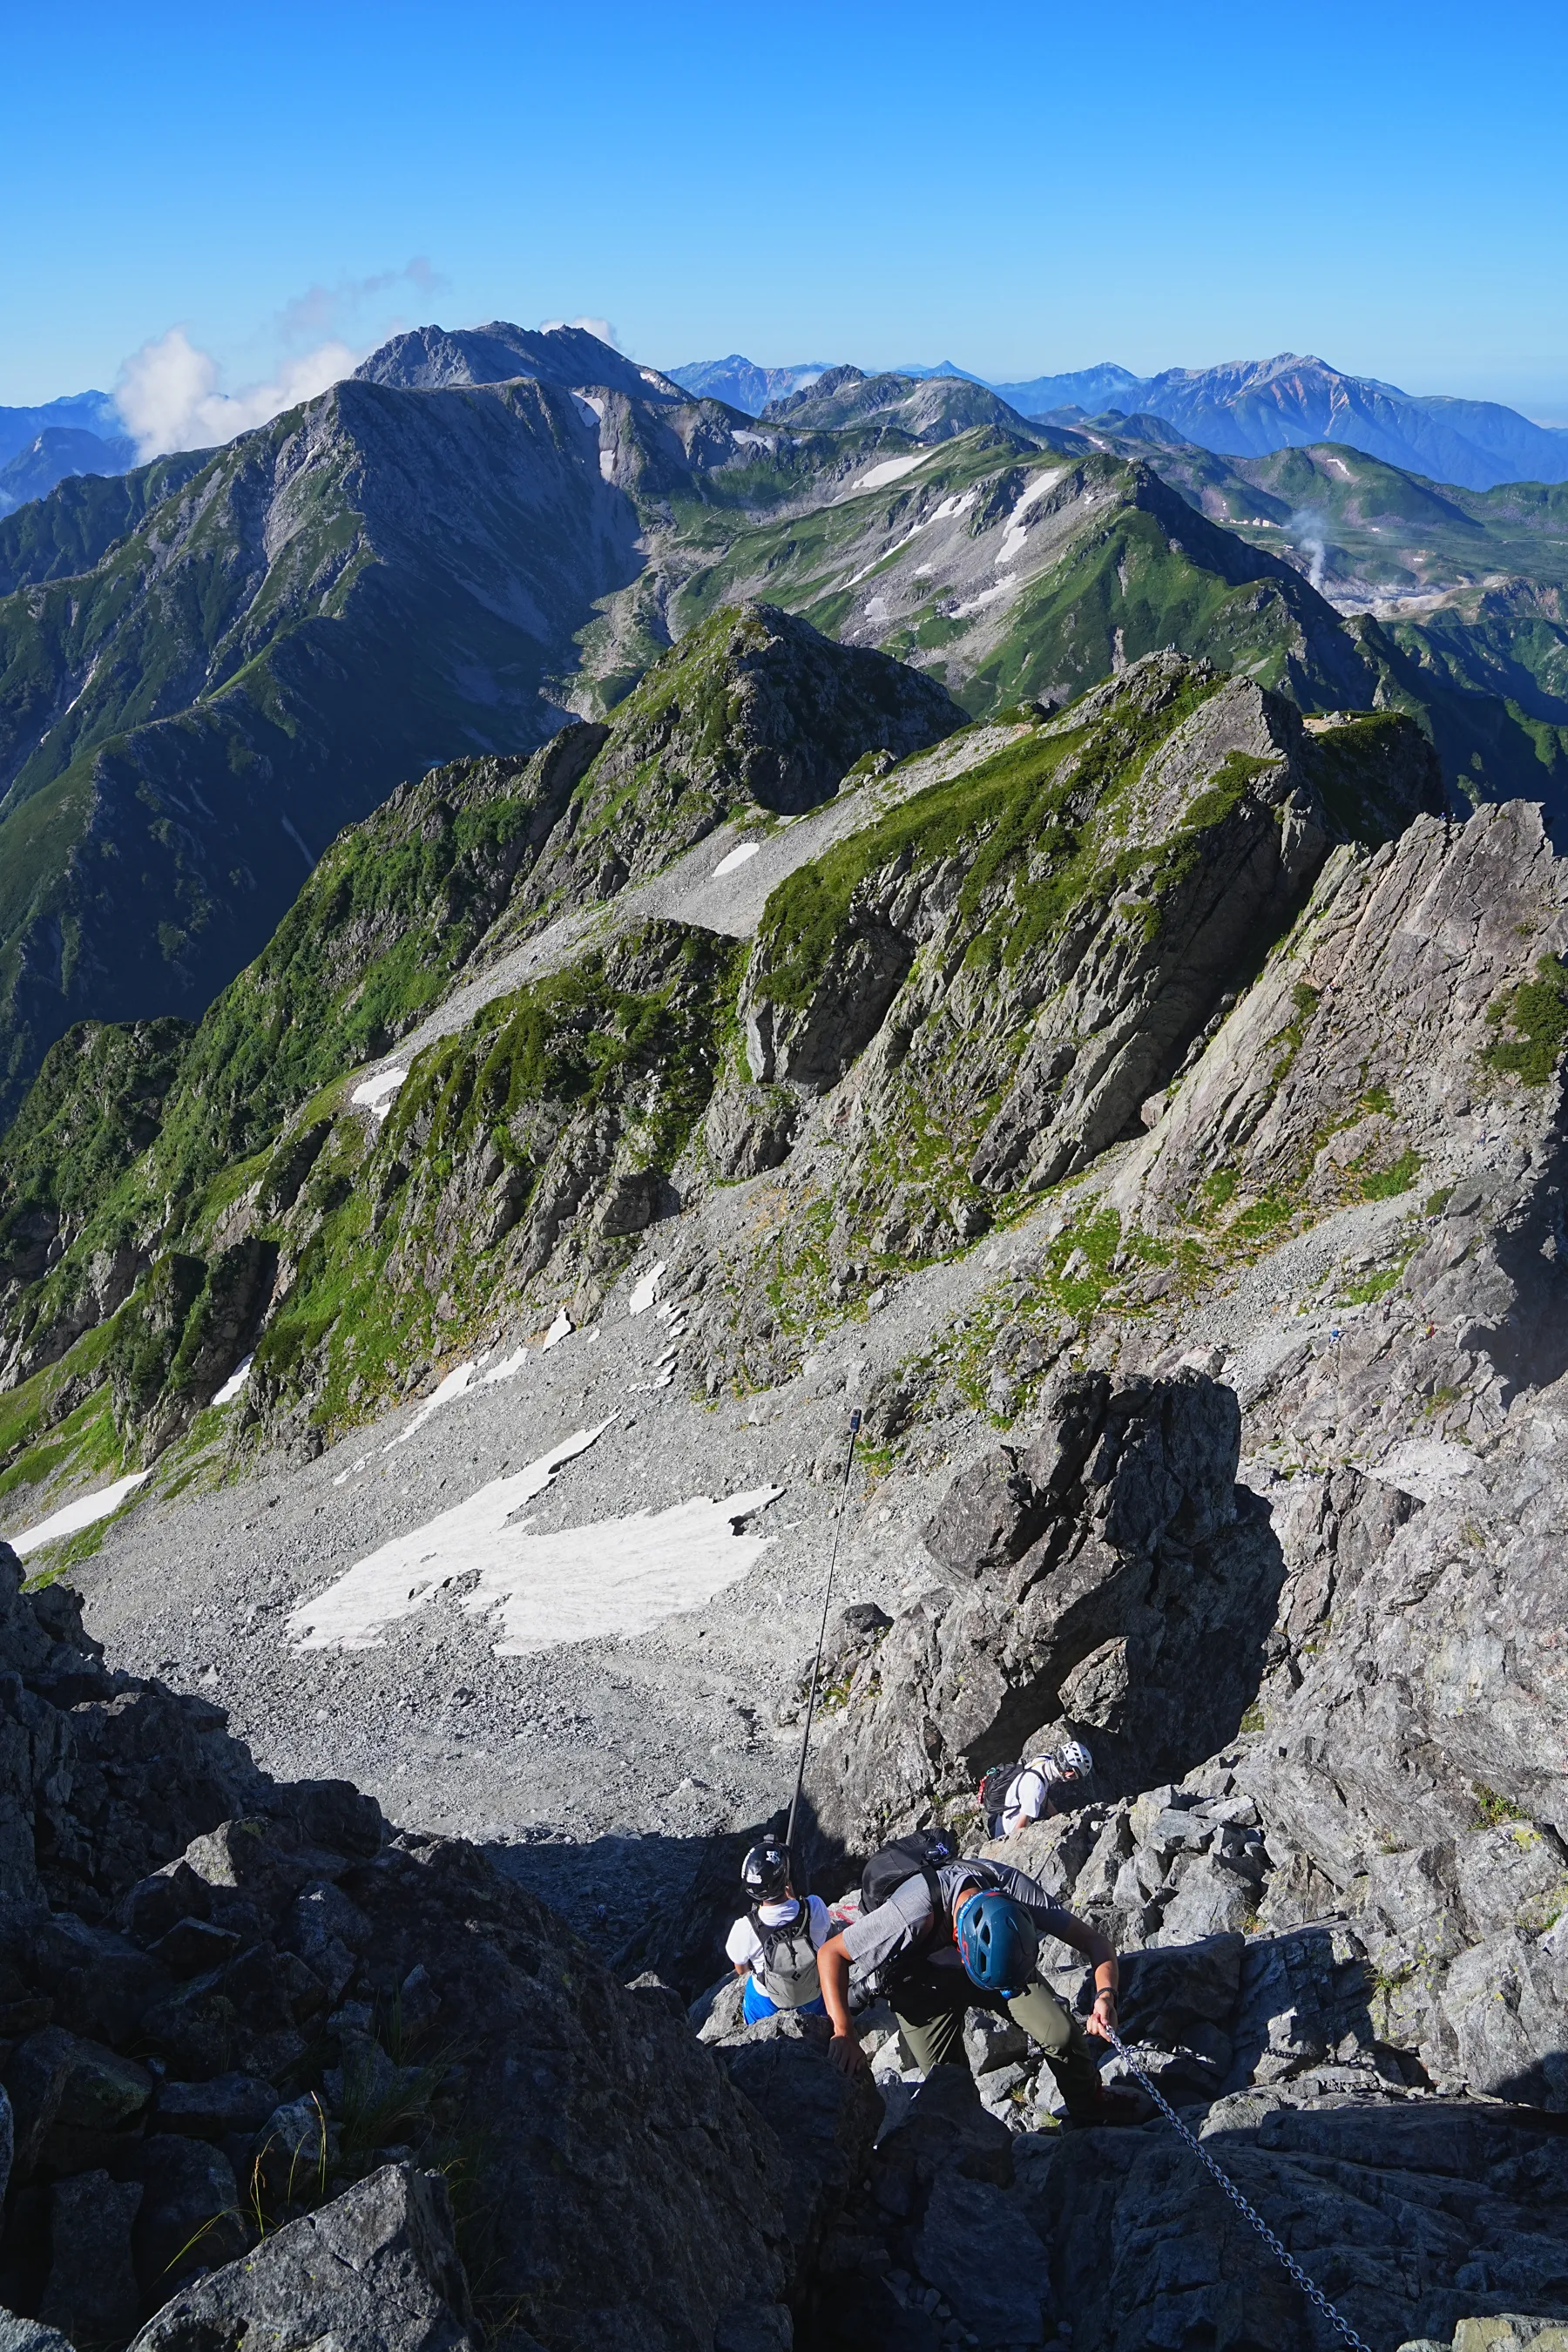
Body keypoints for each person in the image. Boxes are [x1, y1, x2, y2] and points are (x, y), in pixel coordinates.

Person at [815, 1851, 1141, 2125]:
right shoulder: (911, 1914)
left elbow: (1095, 1941)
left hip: (1002, 1966)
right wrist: (843, 2031)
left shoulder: (1011, 1886)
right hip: (920, 1986)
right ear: (958, 1939)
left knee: (1061, 2034)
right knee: (948, 2086)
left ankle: (1090, 2107)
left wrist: (1104, 1997)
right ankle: (972, 2148)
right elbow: (832, 1953)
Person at [727, 1841, 833, 2023]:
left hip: (768, 1999)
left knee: (752, 1992)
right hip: (811, 1992)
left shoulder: (745, 1927)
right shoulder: (814, 1907)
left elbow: (742, 1969)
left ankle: (758, 2033)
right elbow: (825, 1935)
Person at [997, 1740, 1095, 1840]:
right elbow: (1017, 1832)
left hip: (1006, 1811)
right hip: (1010, 1828)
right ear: (1069, 1774)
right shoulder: (1035, 1789)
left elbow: (1043, 1794)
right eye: (1075, 1777)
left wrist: (1057, 1817)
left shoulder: (1044, 1759)